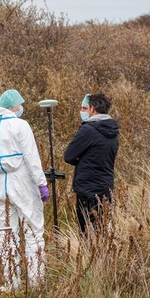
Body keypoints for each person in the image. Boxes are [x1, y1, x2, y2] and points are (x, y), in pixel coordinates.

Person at [0, 89, 49, 289]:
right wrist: (41, 183)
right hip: (22, 182)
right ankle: (36, 282)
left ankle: (12, 282)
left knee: (7, 234)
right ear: (13, 107)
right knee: (33, 231)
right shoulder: (21, 125)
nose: (21, 108)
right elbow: (31, 156)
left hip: (1, 185)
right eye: (20, 104)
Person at [64, 92, 119, 233]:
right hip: (106, 187)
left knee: (86, 232)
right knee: (101, 230)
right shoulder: (113, 130)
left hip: (87, 190)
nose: (82, 112)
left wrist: (80, 159)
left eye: (85, 108)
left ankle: (87, 255)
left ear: (93, 109)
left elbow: (69, 156)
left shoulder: (88, 129)